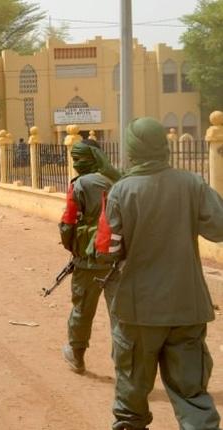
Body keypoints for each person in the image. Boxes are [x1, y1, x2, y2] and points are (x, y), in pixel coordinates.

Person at [96, 117, 223, 430]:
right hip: (187, 306)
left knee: (132, 397)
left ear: (131, 150)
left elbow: (108, 250)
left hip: (138, 311)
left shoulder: (120, 192)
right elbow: (219, 227)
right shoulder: (192, 183)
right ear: (164, 147)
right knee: (192, 396)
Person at [58, 139, 120, 374]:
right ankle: (123, 368)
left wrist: (75, 250)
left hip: (87, 260)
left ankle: (76, 355)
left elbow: (68, 223)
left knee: (82, 308)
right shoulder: (118, 180)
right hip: (117, 258)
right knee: (120, 314)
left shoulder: (79, 185)